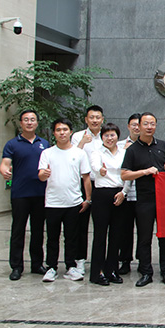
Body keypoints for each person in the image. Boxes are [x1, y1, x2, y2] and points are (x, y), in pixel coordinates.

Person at [121, 112, 165, 287]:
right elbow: (124, 174)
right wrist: (144, 172)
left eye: (152, 123)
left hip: (164, 199)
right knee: (144, 238)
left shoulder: (163, 145)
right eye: (145, 124)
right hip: (144, 200)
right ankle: (146, 272)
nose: (149, 127)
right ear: (139, 126)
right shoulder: (132, 150)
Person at [38, 119, 92, 282]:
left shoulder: (79, 153)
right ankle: (51, 267)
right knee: (52, 237)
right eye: (58, 130)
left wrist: (88, 199)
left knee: (71, 237)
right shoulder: (47, 153)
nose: (62, 132)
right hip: (53, 203)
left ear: (70, 132)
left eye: (65, 129)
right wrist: (43, 175)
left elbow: (86, 178)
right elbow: (41, 176)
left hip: (73, 202)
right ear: (54, 133)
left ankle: (71, 266)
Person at [0, 109, 49, 280]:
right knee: (18, 230)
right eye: (26, 119)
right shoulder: (12, 144)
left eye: (32, 119)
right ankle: (16, 267)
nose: (29, 122)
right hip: (20, 194)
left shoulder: (45, 144)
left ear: (37, 123)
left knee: (38, 230)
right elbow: (5, 163)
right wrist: (4, 171)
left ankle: (37, 264)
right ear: (21, 123)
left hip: (40, 193)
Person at [89, 123, 128, 286]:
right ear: (102, 137)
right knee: (100, 235)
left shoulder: (124, 153)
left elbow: (127, 174)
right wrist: (101, 170)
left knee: (116, 235)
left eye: (112, 135)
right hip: (101, 195)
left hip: (119, 194)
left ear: (117, 136)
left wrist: (124, 193)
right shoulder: (96, 152)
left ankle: (111, 270)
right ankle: (96, 272)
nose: (109, 138)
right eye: (106, 135)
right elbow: (95, 167)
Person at [70, 105, 104, 276]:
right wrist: (82, 143)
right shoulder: (77, 136)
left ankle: (101, 262)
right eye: (91, 117)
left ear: (102, 120)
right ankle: (79, 261)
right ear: (86, 119)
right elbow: (71, 157)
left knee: (100, 226)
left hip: (101, 185)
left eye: (98, 117)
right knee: (81, 225)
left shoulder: (107, 136)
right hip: (82, 184)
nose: (95, 120)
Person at [117, 113, 141, 274]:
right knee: (125, 230)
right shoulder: (119, 145)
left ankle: (142, 260)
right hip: (124, 195)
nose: (137, 127)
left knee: (143, 231)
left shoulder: (147, 146)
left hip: (141, 195)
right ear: (128, 126)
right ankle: (125, 260)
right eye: (134, 125)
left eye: (139, 124)